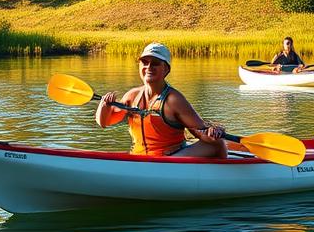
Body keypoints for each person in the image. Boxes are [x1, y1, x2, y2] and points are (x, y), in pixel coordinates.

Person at [96, 42, 227, 158]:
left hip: (171, 158)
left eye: (155, 63)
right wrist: (104, 106)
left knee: (216, 144)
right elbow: (104, 122)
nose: (148, 67)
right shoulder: (132, 96)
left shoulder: (174, 100)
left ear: (166, 69)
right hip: (139, 157)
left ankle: (222, 172)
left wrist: (213, 131)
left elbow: (200, 131)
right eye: (145, 62)